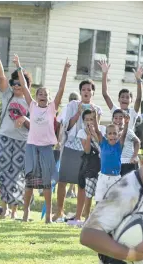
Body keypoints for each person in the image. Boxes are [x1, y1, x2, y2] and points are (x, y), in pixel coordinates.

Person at [14, 54, 70, 223]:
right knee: (30, 182)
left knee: (46, 183)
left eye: (46, 94)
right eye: (40, 93)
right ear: (36, 96)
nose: (42, 95)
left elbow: (61, 90)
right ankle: (25, 213)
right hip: (31, 147)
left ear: (49, 98)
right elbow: (24, 86)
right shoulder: (32, 106)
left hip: (46, 148)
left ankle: (47, 219)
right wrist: (18, 65)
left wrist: (65, 71)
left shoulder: (52, 108)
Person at [0, 48, 31, 220]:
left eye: (20, 83)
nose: (17, 86)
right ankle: (4, 208)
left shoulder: (29, 101)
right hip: (4, 138)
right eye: (15, 83)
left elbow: (36, 124)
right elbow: (1, 77)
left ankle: (14, 210)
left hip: (22, 141)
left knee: (18, 175)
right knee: (4, 173)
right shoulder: (7, 95)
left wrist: (25, 118)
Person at [54, 79, 102, 223]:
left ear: (93, 92)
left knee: (82, 183)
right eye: (84, 90)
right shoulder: (72, 105)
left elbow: (97, 131)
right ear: (80, 92)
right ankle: (59, 212)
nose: (86, 92)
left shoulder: (97, 109)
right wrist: (78, 113)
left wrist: (93, 120)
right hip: (70, 145)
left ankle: (78, 215)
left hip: (86, 149)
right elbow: (66, 126)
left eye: (89, 89)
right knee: (62, 180)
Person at [99, 59, 143, 130]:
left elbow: (139, 98)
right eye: (122, 97)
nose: (124, 99)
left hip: (128, 140)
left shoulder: (132, 112)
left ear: (131, 100)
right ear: (118, 99)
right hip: (115, 139)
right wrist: (104, 74)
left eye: (127, 97)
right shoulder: (115, 110)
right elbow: (105, 94)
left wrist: (138, 80)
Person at [93, 123, 124, 202]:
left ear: (118, 135)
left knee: (114, 202)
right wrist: (95, 117)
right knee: (99, 200)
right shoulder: (103, 143)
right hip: (103, 177)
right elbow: (97, 131)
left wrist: (126, 124)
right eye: (110, 133)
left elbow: (124, 133)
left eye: (114, 133)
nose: (112, 135)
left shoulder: (119, 146)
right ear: (106, 135)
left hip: (115, 178)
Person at [112, 109, 140, 176]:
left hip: (128, 162)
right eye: (116, 118)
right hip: (117, 163)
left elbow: (137, 142)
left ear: (125, 120)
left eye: (121, 118)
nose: (118, 120)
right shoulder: (111, 133)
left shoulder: (128, 131)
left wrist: (134, 156)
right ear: (112, 119)